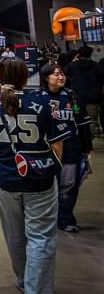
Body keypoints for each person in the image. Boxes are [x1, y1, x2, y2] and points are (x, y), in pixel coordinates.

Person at [0, 58, 69, 294]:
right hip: (40, 180)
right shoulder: (43, 102)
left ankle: (24, 280)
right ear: (26, 77)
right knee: (41, 237)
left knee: (15, 236)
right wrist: (52, 168)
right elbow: (58, 142)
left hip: (5, 179)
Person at [38, 64, 94, 233]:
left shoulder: (71, 96)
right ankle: (47, 217)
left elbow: (83, 123)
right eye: (56, 74)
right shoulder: (38, 98)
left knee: (69, 186)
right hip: (46, 152)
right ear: (46, 78)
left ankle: (65, 218)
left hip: (71, 150)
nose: (61, 77)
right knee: (46, 187)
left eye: (62, 74)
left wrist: (87, 147)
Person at [64, 46, 104, 137]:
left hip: (77, 98)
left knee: (78, 118)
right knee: (92, 119)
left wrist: (73, 61)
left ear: (78, 54)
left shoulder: (72, 66)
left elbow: (64, 73)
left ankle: (82, 139)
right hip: (94, 98)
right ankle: (89, 141)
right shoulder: (97, 66)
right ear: (90, 54)